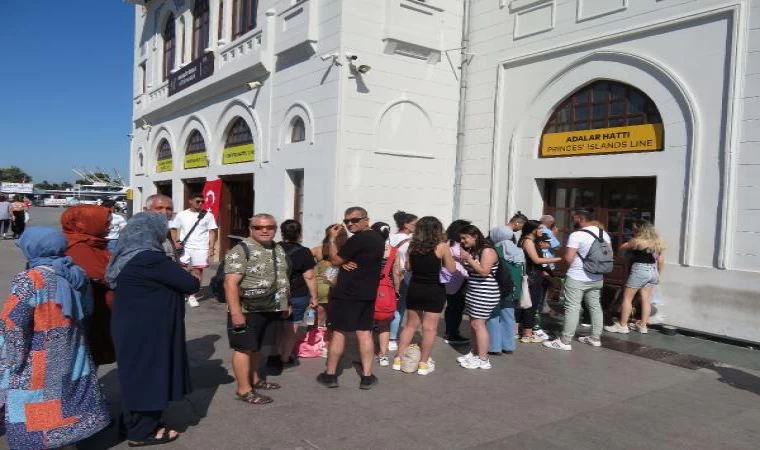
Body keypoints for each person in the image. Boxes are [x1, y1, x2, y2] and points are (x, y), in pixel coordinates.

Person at [0, 227, 110, 449]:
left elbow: (13, 324)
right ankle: (66, 438)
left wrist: (11, 361)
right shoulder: (76, 274)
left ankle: (42, 440)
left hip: (40, 351)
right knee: (66, 394)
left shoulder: (30, 279)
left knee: (36, 397)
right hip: (73, 346)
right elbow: (87, 312)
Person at [106, 212, 200, 445]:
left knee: (135, 374)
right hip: (148, 329)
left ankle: (131, 423)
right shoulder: (149, 258)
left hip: (131, 325)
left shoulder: (126, 255)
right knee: (149, 375)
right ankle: (143, 431)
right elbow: (190, 283)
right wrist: (191, 272)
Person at [224, 213, 291, 405]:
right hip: (246, 309)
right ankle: (244, 390)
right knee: (243, 348)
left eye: (269, 227)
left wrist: (286, 302)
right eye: (259, 227)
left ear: (275, 230)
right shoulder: (241, 250)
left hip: (270, 308)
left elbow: (282, 277)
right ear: (250, 229)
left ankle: (255, 380)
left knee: (256, 348)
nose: (264, 230)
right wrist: (236, 313)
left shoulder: (277, 248)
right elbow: (230, 283)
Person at [317, 206, 384, 390]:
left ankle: (330, 375)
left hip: (347, 293)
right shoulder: (378, 238)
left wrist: (331, 238)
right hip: (367, 292)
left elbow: (334, 260)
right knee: (364, 333)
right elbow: (353, 260)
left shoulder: (359, 238)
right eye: (347, 221)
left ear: (366, 219)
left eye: (355, 220)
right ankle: (367, 377)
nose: (350, 224)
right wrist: (345, 261)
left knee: (339, 332)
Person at [393, 217, 456, 375]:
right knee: (429, 329)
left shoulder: (412, 246)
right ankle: (423, 363)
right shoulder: (441, 246)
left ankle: (398, 359)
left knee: (410, 325)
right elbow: (451, 268)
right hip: (434, 290)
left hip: (415, 288)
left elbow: (408, 267)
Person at [544, 209, 611, 351]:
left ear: (580, 219)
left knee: (572, 308)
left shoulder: (577, 235)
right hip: (597, 277)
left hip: (577, 277)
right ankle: (595, 338)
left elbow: (569, 258)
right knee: (595, 306)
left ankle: (565, 340)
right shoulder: (603, 233)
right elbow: (608, 255)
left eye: (574, 218)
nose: (573, 220)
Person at [61, 204, 116, 366]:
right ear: (83, 223)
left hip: (99, 310)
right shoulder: (78, 247)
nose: (109, 227)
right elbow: (104, 276)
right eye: (105, 223)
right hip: (92, 313)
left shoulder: (93, 243)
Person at [605, 220, 666, 334]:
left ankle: (622, 325)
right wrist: (658, 274)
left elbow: (622, 248)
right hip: (652, 270)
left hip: (640, 269)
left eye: (634, 229)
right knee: (646, 299)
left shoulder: (637, 241)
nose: (633, 230)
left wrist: (627, 248)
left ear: (639, 230)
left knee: (627, 298)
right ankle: (643, 326)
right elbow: (661, 261)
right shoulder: (657, 242)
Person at [457, 225, 500, 370]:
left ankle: (483, 359)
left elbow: (484, 272)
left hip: (485, 293)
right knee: (473, 324)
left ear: (475, 236)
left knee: (478, 325)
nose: (462, 241)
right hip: (474, 291)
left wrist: (468, 258)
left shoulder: (487, 250)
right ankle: (475, 353)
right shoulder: (475, 250)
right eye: (461, 238)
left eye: (465, 238)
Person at [277, 219, 318, 367]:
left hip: (275, 293)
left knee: (275, 325)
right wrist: (314, 297)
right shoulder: (304, 252)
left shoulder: (273, 249)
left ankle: (272, 354)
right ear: (300, 234)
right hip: (297, 294)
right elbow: (309, 276)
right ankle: (285, 358)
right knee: (291, 326)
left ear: (281, 233)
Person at [170, 193, 218, 307]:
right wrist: (176, 242)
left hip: (201, 247)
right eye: (198, 201)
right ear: (190, 201)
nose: (200, 203)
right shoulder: (182, 215)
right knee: (180, 270)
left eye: (202, 201)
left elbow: (212, 231)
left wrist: (211, 247)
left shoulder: (208, 215)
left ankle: (192, 295)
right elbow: (173, 228)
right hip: (185, 247)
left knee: (198, 271)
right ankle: (180, 291)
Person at [517, 220, 562, 343]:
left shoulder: (528, 240)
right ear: (533, 230)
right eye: (540, 229)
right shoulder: (528, 241)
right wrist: (559, 258)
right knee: (531, 304)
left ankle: (521, 331)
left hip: (533, 275)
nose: (542, 231)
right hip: (532, 277)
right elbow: (536, 260)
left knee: (527, 304)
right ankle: (527, 333)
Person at [486, 225, 525, 355]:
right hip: (513, 289)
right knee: (509, 316)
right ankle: (508, 345)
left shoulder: (494, 250)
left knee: (493, 316)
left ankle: (494, 346)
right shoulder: (519, 251)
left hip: (497, 287)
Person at [388, 210, 417, 351]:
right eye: (414, 224)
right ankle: (392, 338)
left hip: (390, 276)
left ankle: (383, 331)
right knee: (399, 308)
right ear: (406, 225)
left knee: (387, 305)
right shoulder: (411, 242)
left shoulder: (390, 238)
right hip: (405, 276)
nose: (416, 227)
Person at [311, 225, 348, 328]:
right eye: (342, 235)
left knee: (317, 318)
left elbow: (303, 259)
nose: (345, 237)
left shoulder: (319, 249)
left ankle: (313, 341)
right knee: (331, 321)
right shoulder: (345, 251)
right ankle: (325, 342)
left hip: (321, 287)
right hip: (335, 288)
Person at [443, 219, 472, 344]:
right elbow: (464, 258)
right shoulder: (456, 245)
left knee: (452, 307)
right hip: (458, 278)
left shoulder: (446, 242)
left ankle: (451, 331)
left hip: (450, 278)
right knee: (456, 307)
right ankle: (453, 333)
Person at [371, 221, 394, 366]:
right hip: (386, 289)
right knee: (384, 323)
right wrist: (396, 291)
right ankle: (383, 354)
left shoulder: (368, 249)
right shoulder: (393, 251)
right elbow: (396, 273)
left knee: (367, 322)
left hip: (367, 287)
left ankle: (366, 351)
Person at [144, 193, 178, 261]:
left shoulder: (166, 232)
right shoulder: (140, 234)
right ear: (146, 210)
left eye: (169, 209)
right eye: (159, 208)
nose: (164, 212)